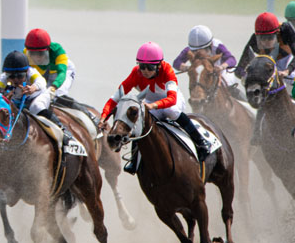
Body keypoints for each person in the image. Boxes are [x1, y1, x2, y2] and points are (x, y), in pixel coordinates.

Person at [98, 42, 209, 173]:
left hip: (171, 100)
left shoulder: (167, 70)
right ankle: (134, 159)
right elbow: (114, 99)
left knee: (170, 110)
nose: (145, 71)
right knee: (139, 119)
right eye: (142, 66)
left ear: (159, 65)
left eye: (150, 67)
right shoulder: (136, 73)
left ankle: (200, 142)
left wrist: (153, 105)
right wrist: (103, 117)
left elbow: (172, 99)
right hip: (151, 102)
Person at [0, 50, 70, 131]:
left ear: (26, 72)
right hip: (18, 102)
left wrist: (33, 88)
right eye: (11, 76)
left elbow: (41, 81)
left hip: (37, 97)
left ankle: (62, 129)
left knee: (36, 107)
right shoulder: (3, 78)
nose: (16, 79)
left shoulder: (31, 72)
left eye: (20, 76)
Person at [171, 25, 244, 99]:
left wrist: (221, 67)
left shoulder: (217, 46)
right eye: (195, 50)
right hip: (203, 76)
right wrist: (188, 68)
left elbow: (232, 60)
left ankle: (245, 101)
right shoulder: (189, 49)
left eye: (202, 49)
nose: (197, 53)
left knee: (229, 85)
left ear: (211, 45)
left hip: (221, 72)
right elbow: (176, 62)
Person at [235, 12, 295, 79]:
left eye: (269, 37)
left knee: (293, 76)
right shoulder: (254, 40)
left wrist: (287, 71)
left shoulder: (286, 31)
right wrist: (245, 76)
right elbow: (239, 69)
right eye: (262, 38)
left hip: (288, 62)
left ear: (277, 33)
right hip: (267, 65)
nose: (266, 41)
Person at [23, 28, 76, 100]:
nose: (36, 57)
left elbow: (62, 73)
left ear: (48, 49)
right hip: (42, 70)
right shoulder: (25, 53)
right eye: (32, 53)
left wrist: (54, 87)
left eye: (40, 53)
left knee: (57, 93)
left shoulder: (57, 51)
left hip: (60, 70)